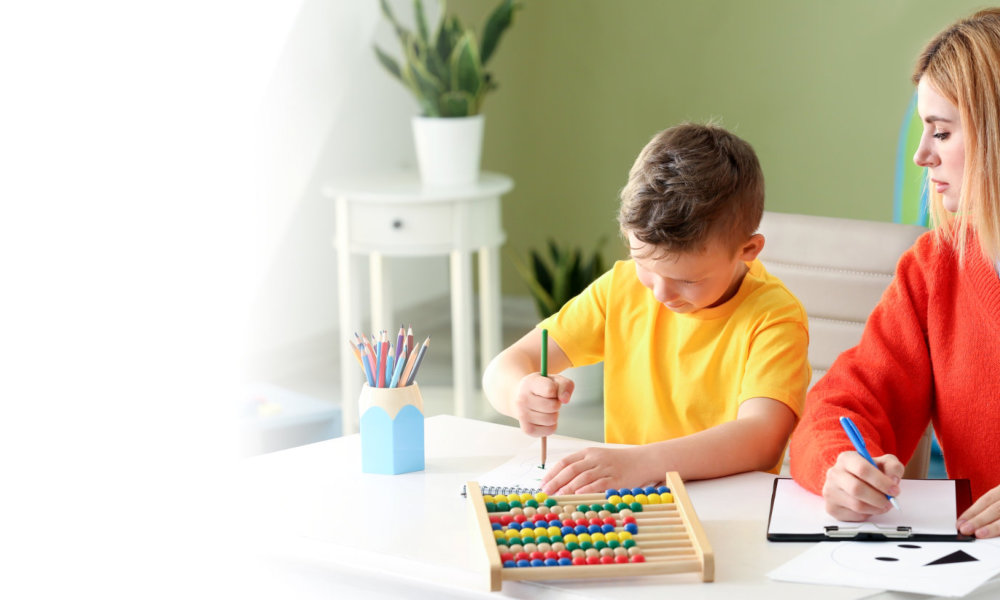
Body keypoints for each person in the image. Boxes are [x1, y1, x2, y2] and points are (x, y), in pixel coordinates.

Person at [482, 122, 811, 495]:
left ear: (748, 251)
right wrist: (519, 393)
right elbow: (504, 367)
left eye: (688, 280)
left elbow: (761, 437)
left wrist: (644, 463)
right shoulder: (619, 289)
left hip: (731, 504)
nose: (660, 294)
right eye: (645, 264)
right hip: (630, 504)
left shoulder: (775, 317)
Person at [790, 8, 1000, 539]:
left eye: (943, 132)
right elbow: (839, 405)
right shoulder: (934, 270)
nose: (920, 155)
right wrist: (841, 468)